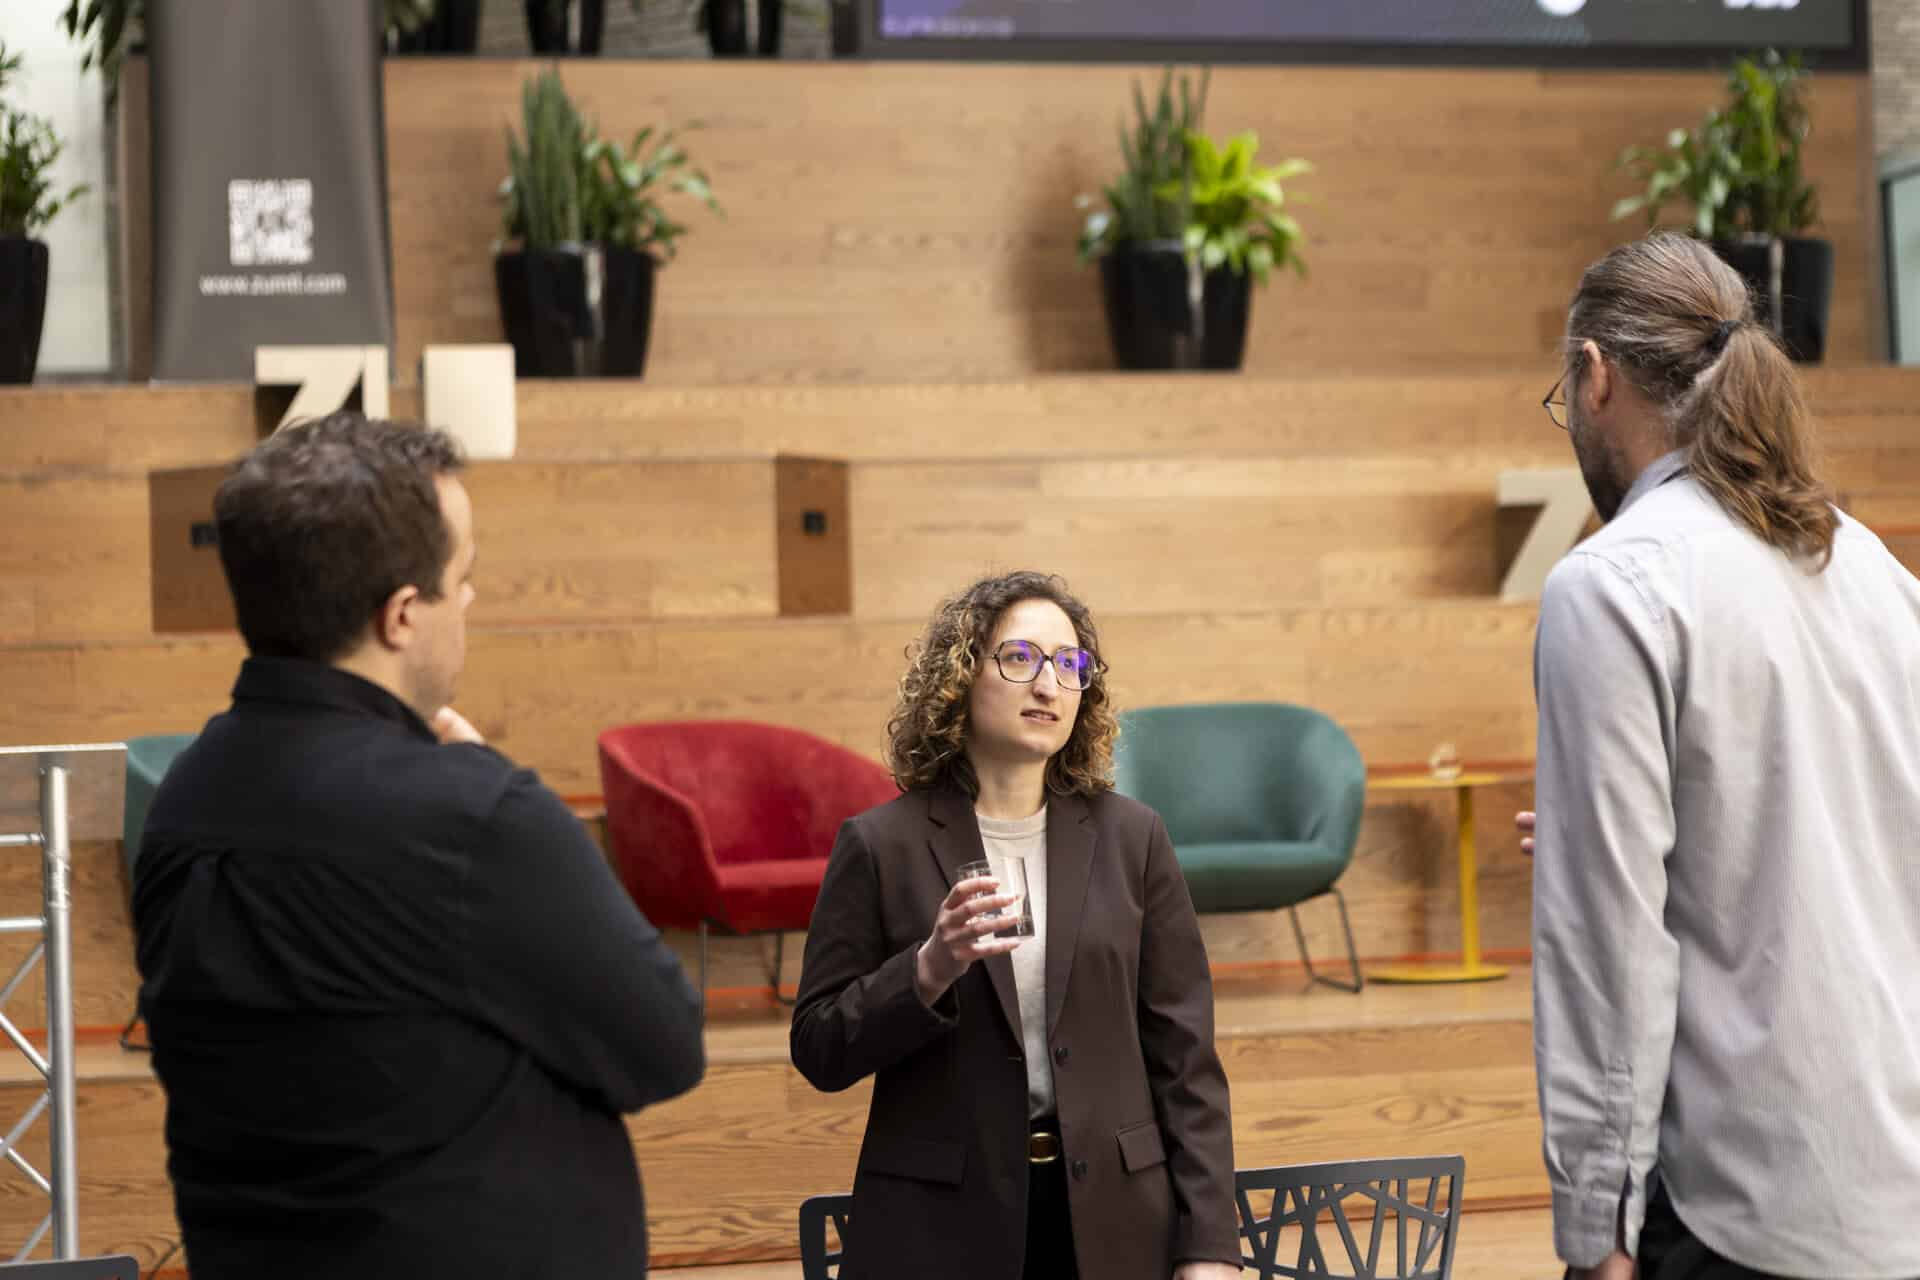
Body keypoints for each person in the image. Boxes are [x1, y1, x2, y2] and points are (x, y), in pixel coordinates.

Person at [133, 413, 704, 1280]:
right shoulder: (471, 818)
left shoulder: (185, 795)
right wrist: (486, 780)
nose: (469, 601)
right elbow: (664, 1046)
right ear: (402, 615)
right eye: (461, 579)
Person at [1528, 233, 1920, 1280]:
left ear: (1596, 375)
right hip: (1897, 1190)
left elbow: (1607, 944)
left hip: (1742, 1205)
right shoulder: (1871, 566)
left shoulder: (1610, 585)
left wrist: (1596, 1230)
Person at [790, 570, 1240, 1280]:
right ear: (961, 676)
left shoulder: (1133, 838)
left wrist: (1209, 1245)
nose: (1049, 685)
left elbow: (1186, 1061)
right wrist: (927, 969)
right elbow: (819, 1048)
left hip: (1115, 1221)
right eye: (1020, 658)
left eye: (1069, 664)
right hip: (939, 1228)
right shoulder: (880, 844)